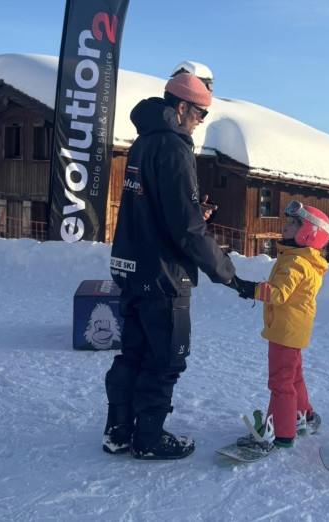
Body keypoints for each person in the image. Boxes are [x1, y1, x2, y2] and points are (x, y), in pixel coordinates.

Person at [104, 72, 243, 460]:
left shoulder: (144, 140)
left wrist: (194, 212)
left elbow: (159, 209)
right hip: (163, 275)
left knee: (132, 354)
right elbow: (186, 228)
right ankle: (148, 439)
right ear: (182, 107)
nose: (200, 123)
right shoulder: (174, 146)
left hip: (131, 266)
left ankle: (117, 432)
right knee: (165, 360)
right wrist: (227, 272)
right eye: (200, 114)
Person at [232, 200, 329, 449]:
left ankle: (282, 432)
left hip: (284, 332)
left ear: (308, 233)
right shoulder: (301, 259)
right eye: (288, 221)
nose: (286, 226)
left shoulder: (295, 263)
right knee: (293, 377)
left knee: (280, 382)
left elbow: (278, 294)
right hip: (293, 329)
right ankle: (303, 415)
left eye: (294, 224)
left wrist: (248, 288)